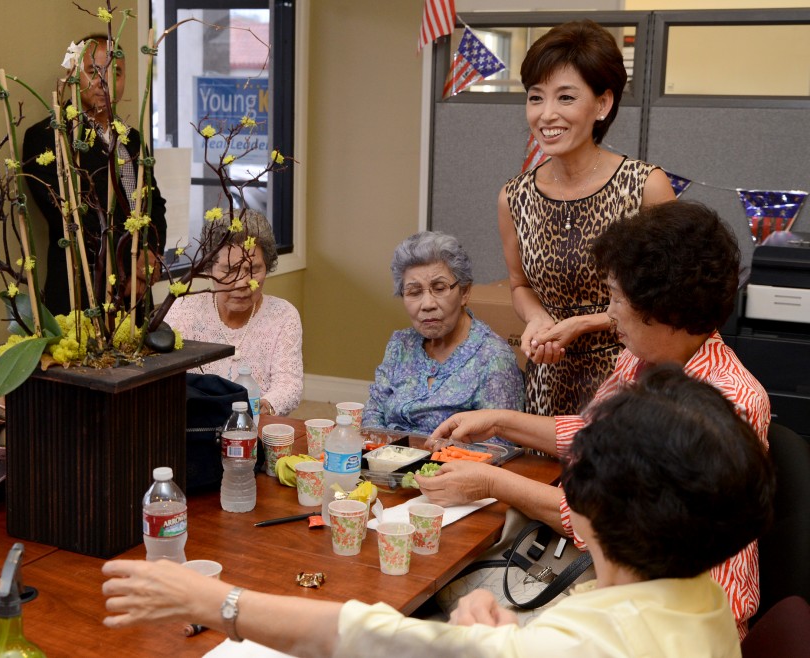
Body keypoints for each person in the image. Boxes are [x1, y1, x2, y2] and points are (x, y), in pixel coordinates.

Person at [102, 365, 774, 657]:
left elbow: (373, 639)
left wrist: (215, 600)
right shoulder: (702, 602)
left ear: (588, 508)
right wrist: (501, 635)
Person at [424, 200, 770, 636]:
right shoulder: (643, 356)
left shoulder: (729, 400)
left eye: (617, 300)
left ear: (667, 312)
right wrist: (498, 421)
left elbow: (613, 516)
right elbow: (592, 438)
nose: (608, 316)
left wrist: (492, 483)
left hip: (679, 614)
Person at [500, 20, 676, 415]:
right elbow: (519, 284)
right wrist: (538, 320)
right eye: (535, 97)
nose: (546, 114)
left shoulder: (646, 186)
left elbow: (669, 301)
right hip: (549, 379)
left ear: (602, 104)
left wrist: (582, 324)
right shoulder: (514, 196)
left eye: (565, 98)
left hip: (630, 380)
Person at [21, 33, 168, 316]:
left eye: (115, 73)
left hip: (136, 295)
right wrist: (128, 265)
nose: (104, 81)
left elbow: (154, 205)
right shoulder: (48, 136)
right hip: (81, 290)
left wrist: (149, 257)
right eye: (93, 71)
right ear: (72, 75)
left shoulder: (133, 139)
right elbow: (72, 216)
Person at [363, 231, 523, 435]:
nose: (427, 304)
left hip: (455, 464)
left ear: (464, 292)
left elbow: (500, 444)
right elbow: (374, 410)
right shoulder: (400, 344)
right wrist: (382, 453)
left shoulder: (494, 358)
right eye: (414, 292)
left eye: (439, 288)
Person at [164, 210, 302, 416]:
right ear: (208, 269)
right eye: (229, 270)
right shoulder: (184, 310)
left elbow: (289, 384)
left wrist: (262, 408)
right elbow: (163, 377)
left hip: (255, 427)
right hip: (195, 426)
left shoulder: (284, 315)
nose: (242, 283)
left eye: (253, 269)